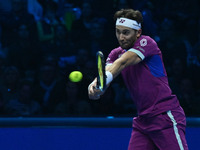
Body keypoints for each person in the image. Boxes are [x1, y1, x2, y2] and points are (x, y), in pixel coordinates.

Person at [88, 9, 188, 150]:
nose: (121, 37)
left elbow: (122, 62)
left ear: (138, 33)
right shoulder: (115, 53)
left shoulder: (147, 43)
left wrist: (105, 78)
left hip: (165, 116)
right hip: (143, 121)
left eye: (126, 32)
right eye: (118, 31)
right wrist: (95, 87)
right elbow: (107, 73)